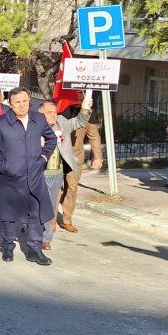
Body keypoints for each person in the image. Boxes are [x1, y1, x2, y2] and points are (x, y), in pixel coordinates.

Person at [0, 88, 57, 265]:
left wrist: (44, 157)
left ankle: (35, 249)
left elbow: (51, 139)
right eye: (17, 102)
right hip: (10, 177)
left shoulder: (39, 119)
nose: (22, 105)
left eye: (25, 101)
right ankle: (8, 246)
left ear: (29, 100)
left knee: (36, 213)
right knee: (8, 215)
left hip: (34, 175)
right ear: (10, 103)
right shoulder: (0, 123)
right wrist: (6, 166)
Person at [38, 96, 93, 250]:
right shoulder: (33, 125)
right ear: (40, 114)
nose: (53, 115)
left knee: (51, 205)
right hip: (40, 172)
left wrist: (85, 108)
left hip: (57, 171)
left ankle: (46, 238)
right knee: (40, 204)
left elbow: (79, 122)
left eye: (54, 112)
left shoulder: (61, 122)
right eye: (49, 112)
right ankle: (37, 230)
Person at [59, 91, 103, 232]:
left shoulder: (89, 113)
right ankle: (51, 219)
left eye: (81, 97)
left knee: (72, 188)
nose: (79, 100)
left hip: (75, 156)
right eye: (76, 97)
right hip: (58, 156)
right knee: (56, 188)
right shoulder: (60, 110)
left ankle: (66, 220)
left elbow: (94, 136)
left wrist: (97, 157)